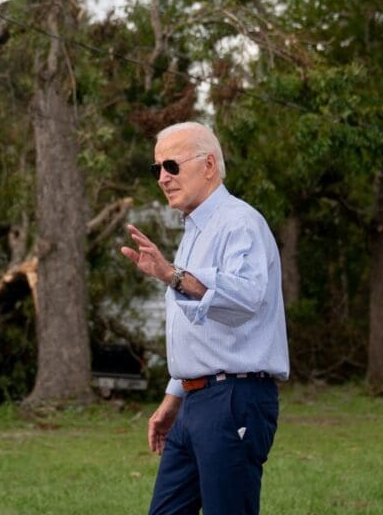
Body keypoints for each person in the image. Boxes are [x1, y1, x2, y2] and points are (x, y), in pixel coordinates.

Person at [120, 121, 290, 515]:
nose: (162, 178)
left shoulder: (239, 222)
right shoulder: (196, 230)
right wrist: (173, 398)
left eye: (171, 166)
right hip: (195, 402)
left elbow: (246, 295)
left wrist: (172, 275)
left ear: (209, 165)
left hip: (234, 399)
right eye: (156, 169)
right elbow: (200, 331)